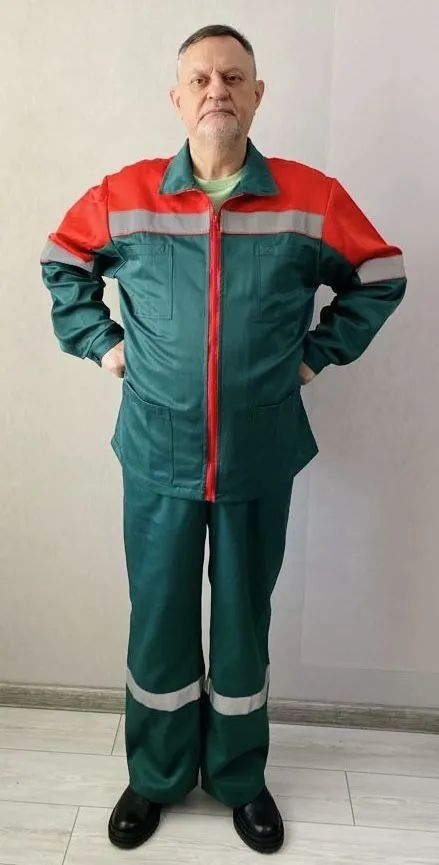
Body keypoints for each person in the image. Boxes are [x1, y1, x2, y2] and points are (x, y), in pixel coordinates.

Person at [39, 23, 407, 854]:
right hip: (156, 451)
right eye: (201, 78)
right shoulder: (126, 194)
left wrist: (314, 356)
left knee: (242, 622)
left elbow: (380, 275)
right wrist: (102, 343)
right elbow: (62, 260)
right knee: (159, 619)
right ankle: (156, 774)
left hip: (257, 454)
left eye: (233, 77)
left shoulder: (310, 198)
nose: (217, 90)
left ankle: (240, 778)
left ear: (256, 95)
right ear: (176, 98)